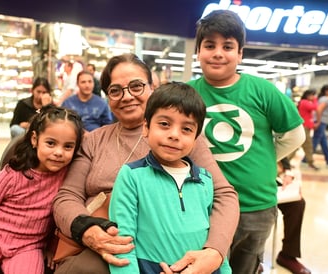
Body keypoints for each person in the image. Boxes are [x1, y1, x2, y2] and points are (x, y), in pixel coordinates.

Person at [52, 53, 239, 274]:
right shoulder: (93, 140)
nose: (127, 96)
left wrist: (215, 251)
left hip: (166, 242)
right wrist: (87, 230)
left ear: (152, 86)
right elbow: (67, 196)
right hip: (107, 242)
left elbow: (224, 194)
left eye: (136, 86)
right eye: (115, 90)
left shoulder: (184, 139)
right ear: (107, 98)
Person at [187, 10, 305, 274]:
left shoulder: (262, 90)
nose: (218, 53)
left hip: (255, 205)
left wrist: (265, 159)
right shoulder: (187, 92)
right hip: (203, 205)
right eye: (209, 45)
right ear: (198, 52)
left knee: (245, 266)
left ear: (240, 54)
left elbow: (296, 134)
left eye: (228, 46)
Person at [108, 82, 231, 274]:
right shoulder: (131, 176)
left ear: (196, 138)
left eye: (187, 129)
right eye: (164, 124)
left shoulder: (205, 180)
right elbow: (123, 243)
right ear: (146, 128)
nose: (174, 135)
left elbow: (213, 243)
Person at [0, 105, 83, 273]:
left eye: (68, 146)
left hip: (29, 247)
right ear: (34, 139)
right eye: (51, 143)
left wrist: (51, 248)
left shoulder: (68, 178)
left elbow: (59, 219)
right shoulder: (12, 174)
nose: (59, 152)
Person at [276, 158, 311, 274]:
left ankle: (287, 254)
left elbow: (279, 149)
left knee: (297, 204)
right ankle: (249, 256)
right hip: (240, 176)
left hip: (266, 175)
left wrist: (287, 172)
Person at [312, 84, 328, 169]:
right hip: (321, 122)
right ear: (326, 91)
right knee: (315, 141)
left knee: (323, 142)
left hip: (321, 122)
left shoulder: (322, 99)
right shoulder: (324, 99)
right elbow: (319, 110)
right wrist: (318, 121)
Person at [297, 89, 319, 170]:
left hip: (305, 127)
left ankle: (310, 162)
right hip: (304, 127)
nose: (313, 97)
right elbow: (315, 107)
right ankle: (310, 162)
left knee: (301, 145)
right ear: (308, 95)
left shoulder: (303, 102)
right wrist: (315, 100)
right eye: (313, 95)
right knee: (308, 145)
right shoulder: (305, 102)